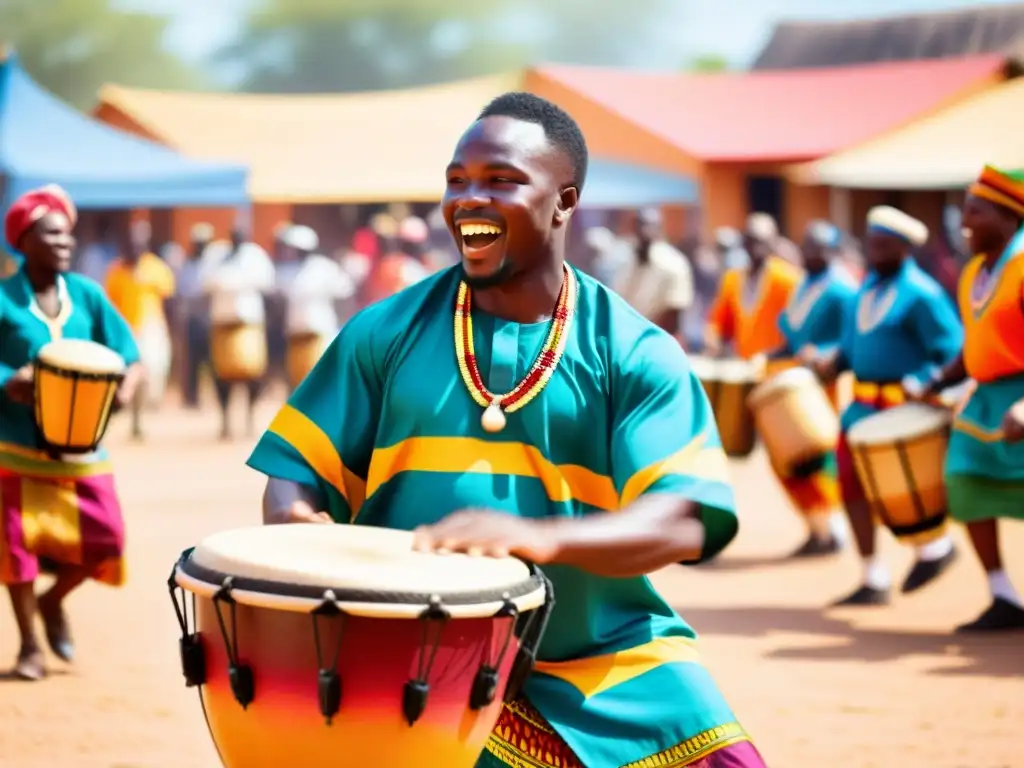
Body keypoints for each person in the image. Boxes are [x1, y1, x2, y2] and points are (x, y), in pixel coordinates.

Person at [247, 93, 768, 767]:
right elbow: (296, 476)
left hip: (605, 658)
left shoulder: (636, 351)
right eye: (457, 179)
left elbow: (682, 520)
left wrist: (537, 539)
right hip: (414, 658)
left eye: (501, 181)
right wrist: (306, 538)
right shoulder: (383, 332)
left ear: (565, 202)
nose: (469, 199)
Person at [0, 185, 142, 680]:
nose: (65, 243)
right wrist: (8, 380)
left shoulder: (87, 295)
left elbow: (130, 354)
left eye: (68, 235)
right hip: (16, 445)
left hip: (84, 447)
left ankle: (53, 599)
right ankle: (29, 649)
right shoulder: (4, 299)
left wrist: (126, 388)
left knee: (109, 539)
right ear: (25, 241)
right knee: (14, 548)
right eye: (52, 234)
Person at [812, 206, 962, 606]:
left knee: (904, 490)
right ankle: (872, 576)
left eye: (883, 245)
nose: (874, 251)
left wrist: (925, 379)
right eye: (871, 243)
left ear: (903, 248)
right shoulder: (864, 289)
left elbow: (951, 349)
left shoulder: (923, 294)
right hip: (859, 406)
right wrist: (833, 361)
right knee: (850, 486)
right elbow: (851, 346)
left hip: (901, 410)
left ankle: (935, 548)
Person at [922, 166, 1024, 631]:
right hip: (985, 401)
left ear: (1009, 215)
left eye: (974, 212)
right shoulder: (972, 274)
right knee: (964, 481)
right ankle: (1003, 595)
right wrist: (939, 379)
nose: (962, 222)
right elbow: (976, 342)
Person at [767, 220, 856, 557]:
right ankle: (817, 526)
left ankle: (833, 527)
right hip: (799, 384)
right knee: (790, 458)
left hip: (828, 385)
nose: (810, 252)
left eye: (818, 247)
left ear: (832, 251)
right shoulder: (804, 283)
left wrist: (821, 353)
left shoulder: (842, 289)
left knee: (820, 456)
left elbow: (851, 337)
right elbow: (792, 335)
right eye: (807, 245)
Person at [104, 220, 175, 439]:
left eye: (139, 243)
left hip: (151, 330)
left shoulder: (156, 268)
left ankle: (140, 419)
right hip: (125, 331)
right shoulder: (116, 271)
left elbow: (170, 301)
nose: (135, 247)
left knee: (149, 375)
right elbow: (109, 305)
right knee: (127, 377)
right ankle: (132, 419)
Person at [203, 224, 275, 440]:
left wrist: (231, 282)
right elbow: (206, 282)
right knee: (221, 377)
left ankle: (250, 418)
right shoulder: (215, 255)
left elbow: (266, 282)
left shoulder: (256, 256)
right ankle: (225, 421)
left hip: (248, 326)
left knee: (253, 374)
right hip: (222, 324)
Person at [704, 212, 802, 365]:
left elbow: (796, 331)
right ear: (744, 243)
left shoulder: (788, 279)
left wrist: (770, 356)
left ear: (773, 243)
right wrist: (713, 340)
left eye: (762, 242)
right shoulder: (732, 278)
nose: (756, 248)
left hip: (778, 368)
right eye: (751, 241)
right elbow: (719, 321)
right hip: (745, 366)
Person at [279, 224, 355, 391]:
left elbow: (344, 291)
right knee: (297, 387)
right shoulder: (288, 270)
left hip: (319, 336)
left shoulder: (324, 268)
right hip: (296, 336)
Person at [613, 207, 693, 338]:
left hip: (657, 339)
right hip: (630, 336)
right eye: (638, 227)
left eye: (648, 227)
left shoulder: (672, 262)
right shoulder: (629, 261)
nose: (643, 233)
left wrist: (648, 338)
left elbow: (674, 311)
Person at [175, 223, 215, 409]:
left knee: (214, 361)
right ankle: (192, 399)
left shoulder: (214, 263)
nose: (200, 246)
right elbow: (184, 292)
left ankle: (215, 398)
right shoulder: (187, 264)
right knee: (193, 361)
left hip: (211, 318)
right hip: (193, 318)